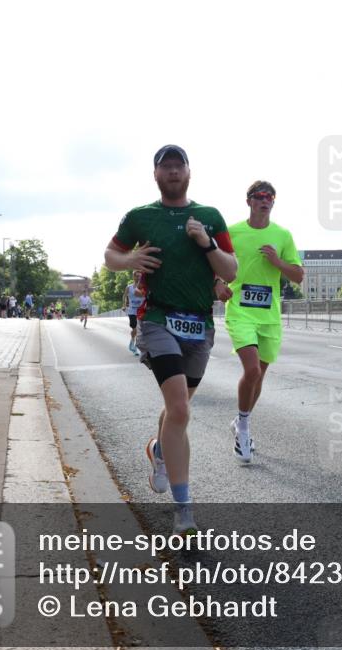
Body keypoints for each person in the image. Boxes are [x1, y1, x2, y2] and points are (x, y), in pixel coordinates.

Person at [103, 144, 237, 535]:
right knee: (179, 408)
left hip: (199, 324)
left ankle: (160, 450)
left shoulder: (210, 217)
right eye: (167, 166)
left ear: (189, 172)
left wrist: (206, 243)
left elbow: (230, 270)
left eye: (179, 165)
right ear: (157, 175)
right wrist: (129, 261)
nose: (174, 172)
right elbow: (111, 254)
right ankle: (184, 511)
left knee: (178, 408)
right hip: (157, 318)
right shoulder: (141, 217)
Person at [214, 180, 304, 463]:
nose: (265, 200)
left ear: (273, 203)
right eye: (259, 196)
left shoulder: (283, 235)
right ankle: (243, 429)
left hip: (269, 315)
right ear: (249, 201)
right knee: (251, 370)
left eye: (270, 197)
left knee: (260, 375)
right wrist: (217, 284)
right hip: (240, 310)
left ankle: (241, 421)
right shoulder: (232, 232)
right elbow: (213, 263)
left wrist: (277, 262)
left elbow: (298, 275)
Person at [123, 271, 146, 355]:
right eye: (137, 276)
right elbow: (125, 296)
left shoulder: (144, 287)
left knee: (140, 329)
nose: (138, 278)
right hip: (132, 310)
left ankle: (135, 345)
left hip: (142, 310)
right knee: (135, 329)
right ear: (134, 277)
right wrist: (124, 305)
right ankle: (132, 342)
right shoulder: (129, 287)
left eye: (140, 276)